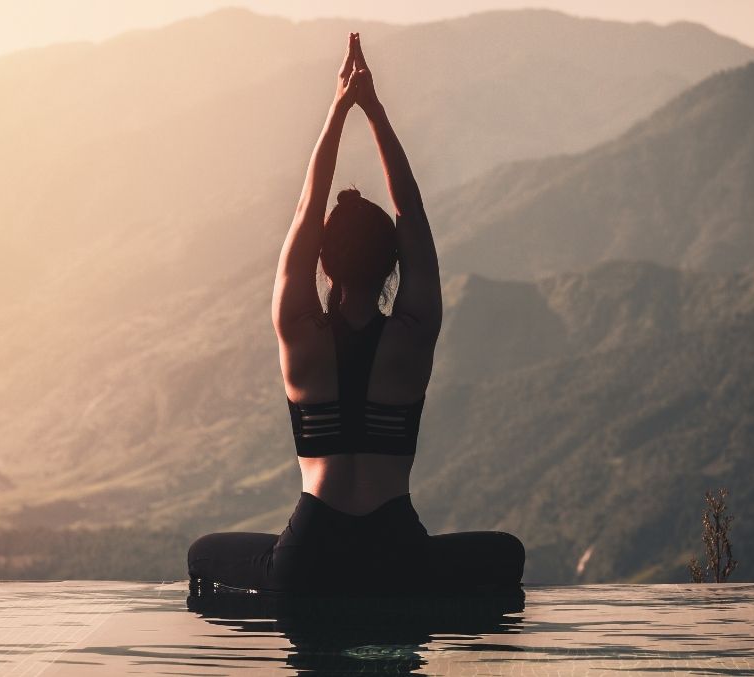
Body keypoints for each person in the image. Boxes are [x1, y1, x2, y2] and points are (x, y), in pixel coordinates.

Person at [188, 33, 524, 594]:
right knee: (505, 554)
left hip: (309, 557)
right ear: (393, 259)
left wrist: (338, 108)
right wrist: (374, 109)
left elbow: (305, 209)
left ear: (324, 261)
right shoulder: (413, 332)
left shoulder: (299, 333)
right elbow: (410, 209)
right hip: (397, 554)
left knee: (203, 556)